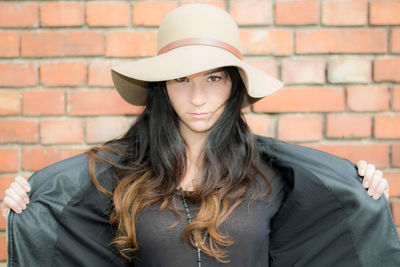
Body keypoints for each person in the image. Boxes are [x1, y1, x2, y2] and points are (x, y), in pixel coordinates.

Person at [3, 4, 400, 267]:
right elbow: (64, 230)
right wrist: (33, 200)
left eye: (214, 78)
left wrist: (359, 187)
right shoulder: (118, 176)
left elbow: (334, 235)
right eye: (181, 79)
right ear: (161, 87)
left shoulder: (274, 175)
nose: (197, 98)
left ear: (234, 87)